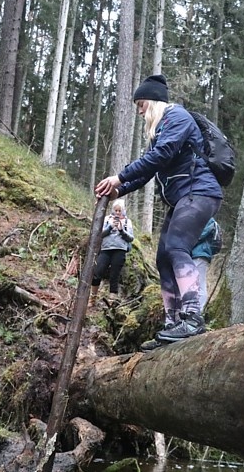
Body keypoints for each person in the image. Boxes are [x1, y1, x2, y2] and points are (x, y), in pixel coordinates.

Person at [94, 74, 223, 350]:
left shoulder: (177, 117)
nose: (139, 110)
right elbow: (149, 170)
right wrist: (119, 190)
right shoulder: (161, 130)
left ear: (153, 101)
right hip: (183, 199)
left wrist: (118, 176)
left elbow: (160, 156)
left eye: (141, 104)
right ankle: (172, 324)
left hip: (199, 193)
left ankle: (192, 317)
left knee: (177, 247)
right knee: (164, 258)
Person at [89, 198, 134, 306]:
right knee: (97, 272)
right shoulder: (106, 219)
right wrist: (110, 227)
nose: (117, 212)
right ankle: (92, 299)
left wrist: (122, 231)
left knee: (114, 276)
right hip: (106, 249)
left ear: (123, 210)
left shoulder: (128, 222)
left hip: (120, 250)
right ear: (113, 210)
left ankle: (111, 302)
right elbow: (100, 234)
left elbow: (131, 238)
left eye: (120, 210)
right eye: (116, 210)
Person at [191, 217, 221, 313]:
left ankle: (198, 312)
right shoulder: (207, 218)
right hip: (199, 254)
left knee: (199, 284)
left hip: (199, 254)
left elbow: (198, 236)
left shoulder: (207, 219)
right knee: (196, 283)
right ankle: (195, 311)